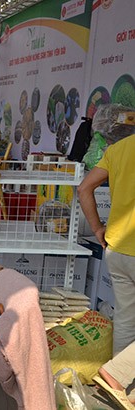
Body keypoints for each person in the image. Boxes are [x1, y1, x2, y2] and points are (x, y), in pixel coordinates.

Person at [78, 131, 135, 356]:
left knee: (125, 320)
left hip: (118, 248)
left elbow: (84, 189)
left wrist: (97, 228)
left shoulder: (118, 149)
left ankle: (118, 384)